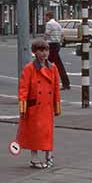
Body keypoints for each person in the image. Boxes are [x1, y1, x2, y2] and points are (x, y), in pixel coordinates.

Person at [17, 38, 61, 169]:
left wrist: (57, 106)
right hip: (35, 106)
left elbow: (56, 88)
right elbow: (23, 89)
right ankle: (34, 158)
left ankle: (49, 155)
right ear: (35, 52)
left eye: (46, 50)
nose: (44, 53)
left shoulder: (53, 68)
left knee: (47, 132)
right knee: (35, 133)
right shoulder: (29, 69)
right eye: (41, 50)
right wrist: (23, 108)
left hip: (47, 107)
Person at [44, 11, 71, 90]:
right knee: (58, 65)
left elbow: (46, 34)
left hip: (51, 45)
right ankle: (66, 83)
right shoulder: (57, 24)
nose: (44, 18)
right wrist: (60, 41)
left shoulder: (49, 24)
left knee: (45, 64)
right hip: (57, 45)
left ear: (48, 17)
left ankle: (46, 82)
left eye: (45, 17)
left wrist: (42, 42)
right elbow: (62, 34)